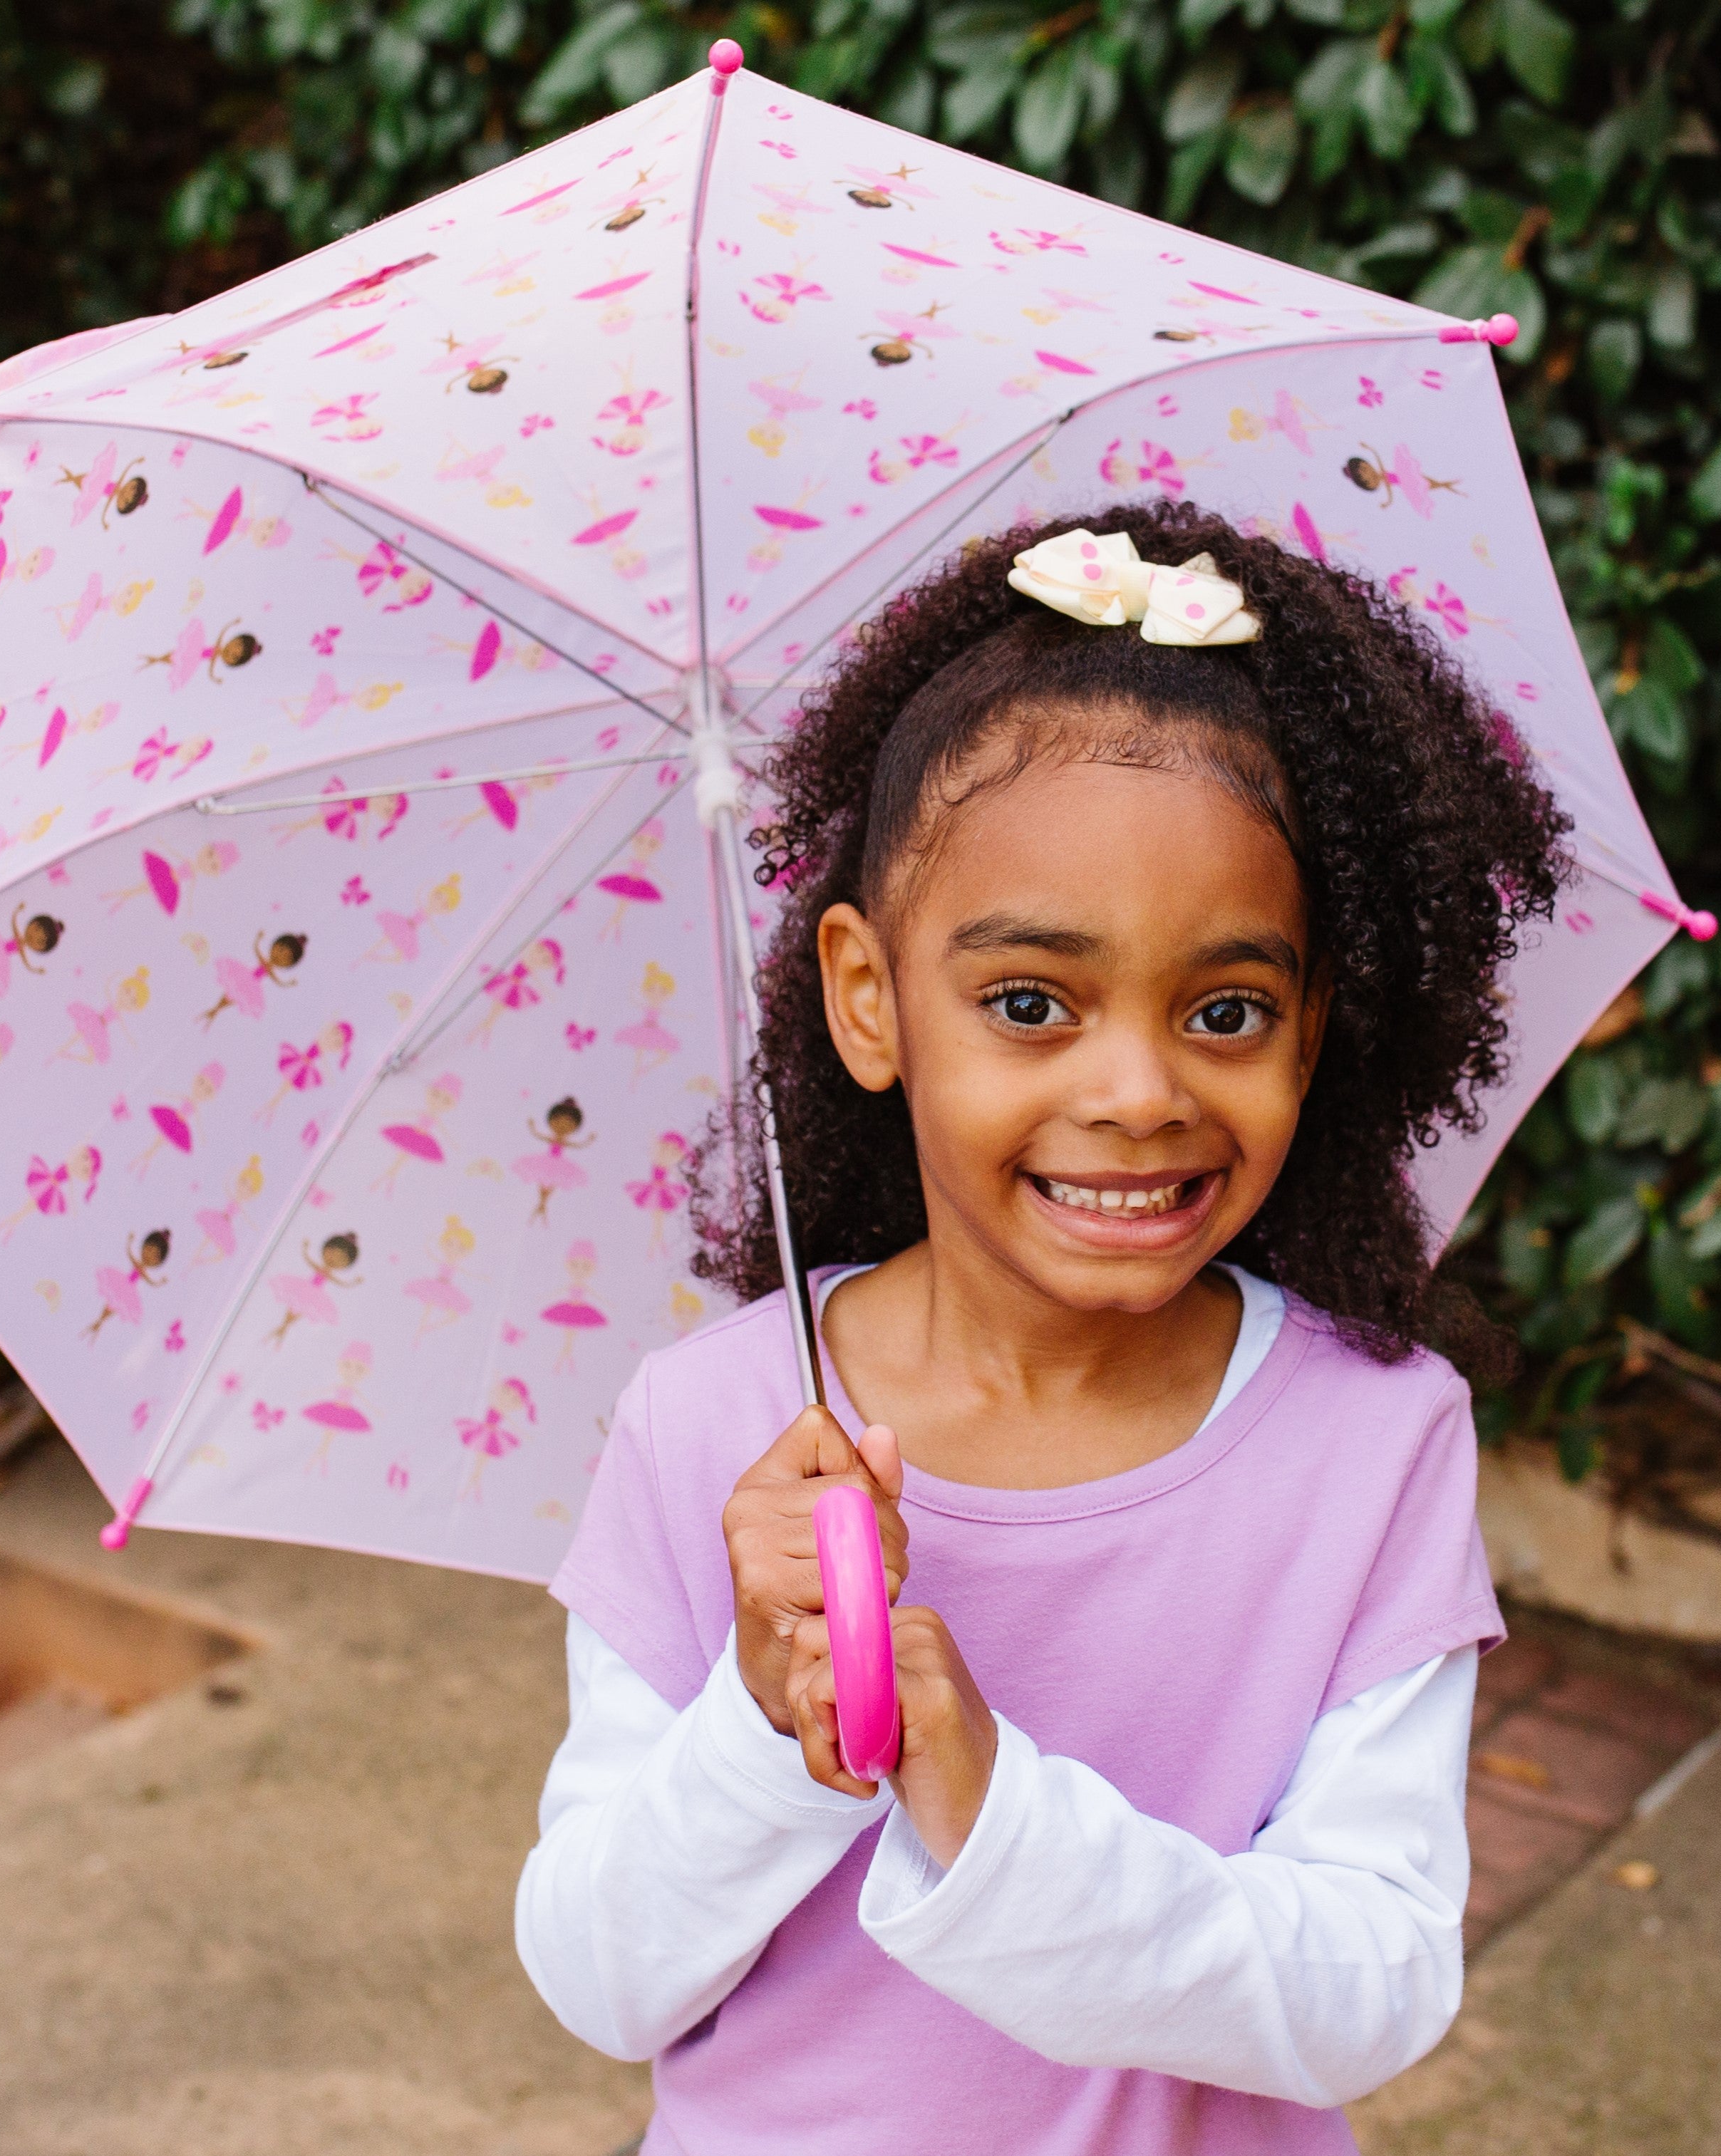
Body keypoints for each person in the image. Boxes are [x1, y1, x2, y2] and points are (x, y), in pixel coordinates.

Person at [515, 504, 1571, 2154]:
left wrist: (987, 1797)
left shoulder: (1375, 1437)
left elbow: (1372, 1984)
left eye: (1226, 1011)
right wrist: (765, 1715)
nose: (1138, 1092)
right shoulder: (708, 1426)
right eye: (1030, 1004)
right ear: (869, 999)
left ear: (1312, 1033)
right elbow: (601, 1975)